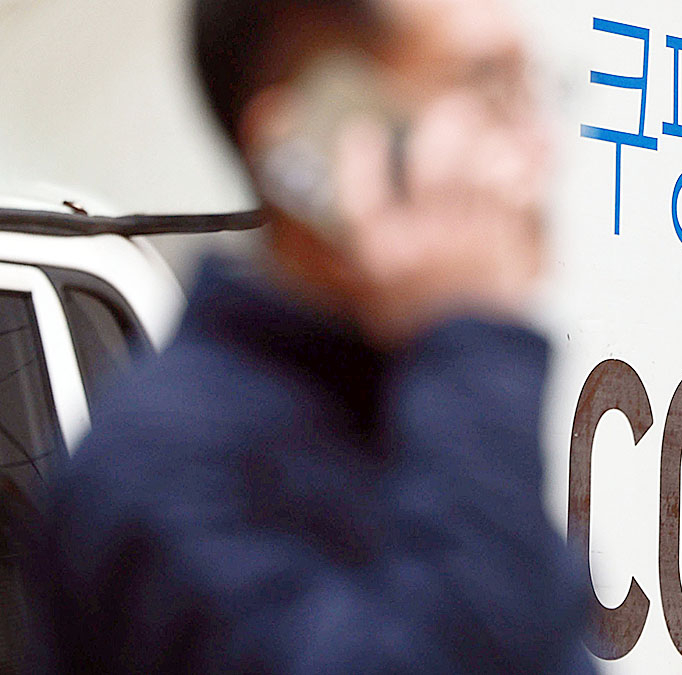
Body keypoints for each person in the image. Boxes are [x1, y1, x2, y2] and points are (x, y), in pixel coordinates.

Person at [30, 0, 595, 672]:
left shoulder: (423, 415)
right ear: (307, 139)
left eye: (530, 88)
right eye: (486, 85)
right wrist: (471, 333)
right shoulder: (166, 466)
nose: (540, 146)